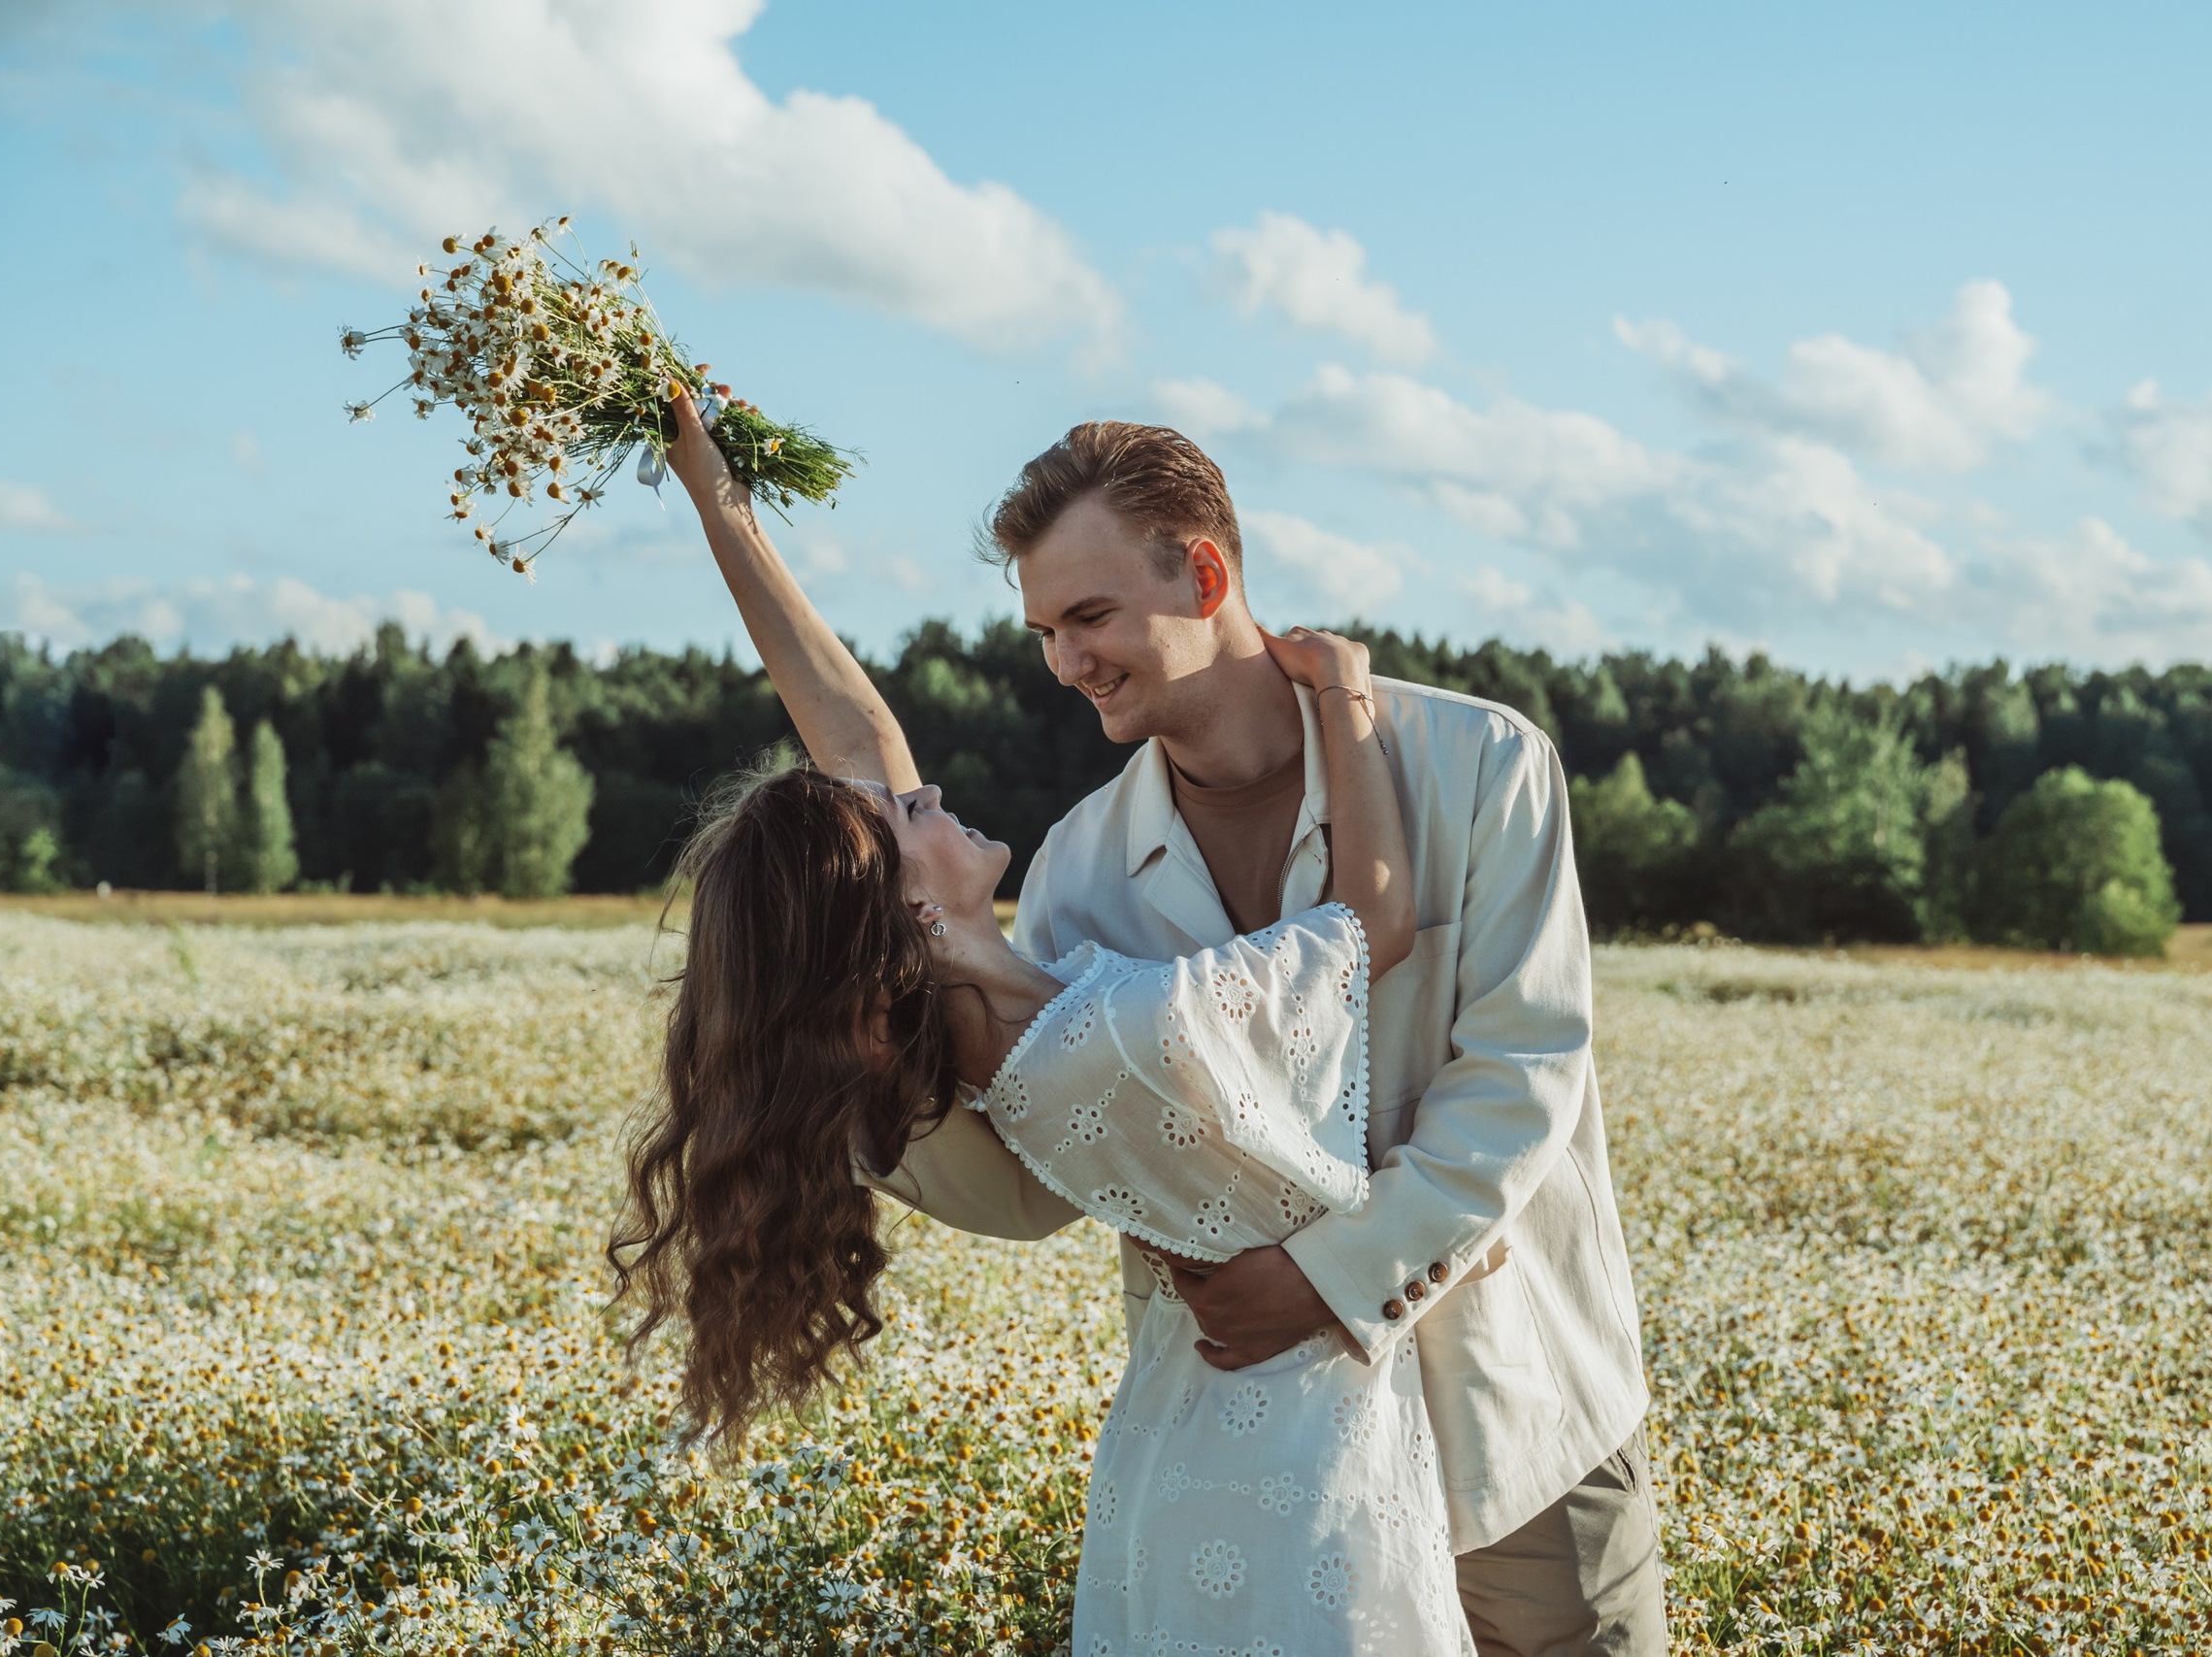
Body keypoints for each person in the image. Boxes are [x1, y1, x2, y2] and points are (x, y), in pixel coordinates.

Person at [611, 389, 1476, 1651]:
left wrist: (715, 491)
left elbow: (854, 730)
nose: (925, 788)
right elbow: (1372, 926)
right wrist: (1345, 690)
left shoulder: (1002, 1032)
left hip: (1193, 1443)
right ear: (905, 918)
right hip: (1301, 1481)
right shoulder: (1117, 1029)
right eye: (906, 817)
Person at [874, 423, 1667, 1656]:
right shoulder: (1080, 866)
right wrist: (829, 1082)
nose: (1065, 662)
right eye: (1042, 632)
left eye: (1089, 616)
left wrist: (1324, 1281)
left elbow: (1521, 1080)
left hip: (1515, 1417)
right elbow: (1054, 1167)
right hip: (1268, 1463)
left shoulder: (1479, 762)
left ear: (1204, 577)